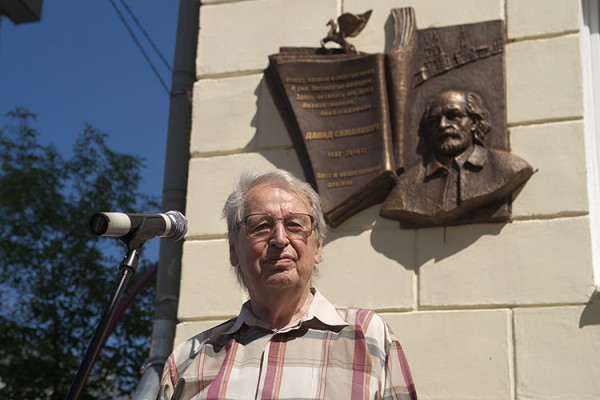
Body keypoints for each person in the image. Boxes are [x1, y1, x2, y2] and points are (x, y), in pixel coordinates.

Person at [160, 169, 418, 399]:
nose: (280, 239)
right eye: (261, 226)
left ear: (317, 247)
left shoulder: (368, 337)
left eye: (295, 224)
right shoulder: (188, 361)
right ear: (233, 250)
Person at [380, 89, 533, 226]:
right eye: (434, 121)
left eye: (453, 117)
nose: (442, 125)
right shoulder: (407, 186)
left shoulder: (507, 167)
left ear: (473, 122)